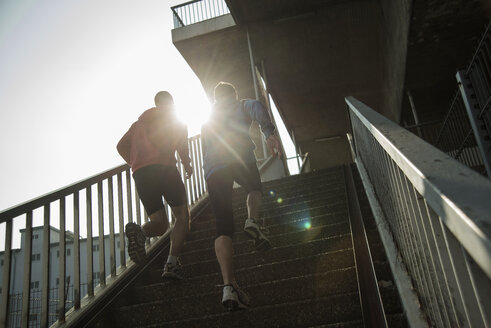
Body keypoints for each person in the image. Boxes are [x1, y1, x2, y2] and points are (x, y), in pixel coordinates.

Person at [201, 81, 282, 311]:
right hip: (239, 156)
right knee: (254, 189)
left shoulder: (209, 119)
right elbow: (256, 105)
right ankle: (252, 220)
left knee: (223, 226)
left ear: (215, 99)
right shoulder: (240, 104)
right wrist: (268, 133)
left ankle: (228, 286)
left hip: (213, 168)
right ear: (234, 94)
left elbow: (206, 144)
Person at [117, 91, 193, 280]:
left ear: (156, 103)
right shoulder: (175, 118)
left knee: (160, 224)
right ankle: (172, 264)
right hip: (165, 169)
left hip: (141, 174)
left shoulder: (138, 124)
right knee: (182, 217)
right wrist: (187, 164)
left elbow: (120, 146)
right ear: (172, 103)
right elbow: (182, 144)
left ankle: (140, 233)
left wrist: (136, 162)